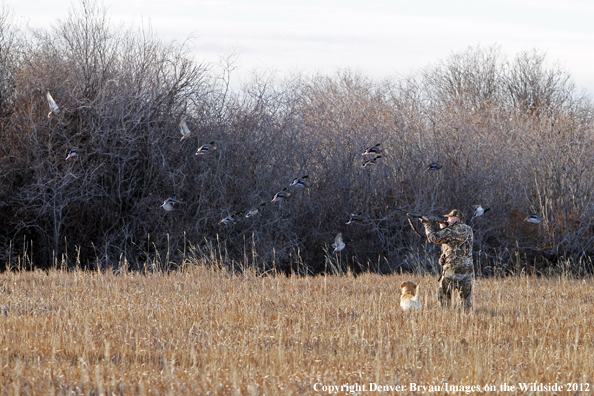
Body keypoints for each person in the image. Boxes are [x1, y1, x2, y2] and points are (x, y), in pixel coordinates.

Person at [421, 209, 474, 310]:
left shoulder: (450, 231)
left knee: (444, 296)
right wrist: (445, 228)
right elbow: (454, 244)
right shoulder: (469, 229)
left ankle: (447, 315)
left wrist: (427, 224)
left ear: (456, 218)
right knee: (465, 300)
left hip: (453, 271)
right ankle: (467, 319)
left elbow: (432, 238)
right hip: (467, 272)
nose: (447, 219)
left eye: (449, 218)